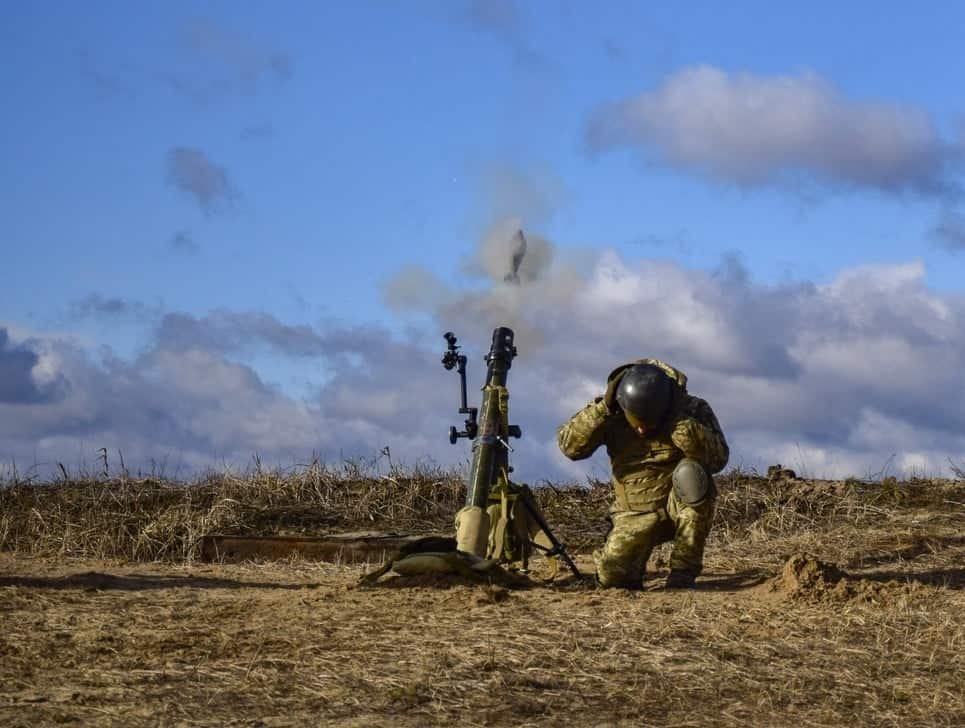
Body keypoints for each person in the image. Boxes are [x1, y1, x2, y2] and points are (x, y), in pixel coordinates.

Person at [557, 360, 728, 589]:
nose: (641, 430)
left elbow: (719, 459)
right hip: (635, 512)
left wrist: (684, 429)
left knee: (692, 477)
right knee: (613, 579)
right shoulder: (611, 412)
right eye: (636, 422)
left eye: (647, 423)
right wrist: (601, 411)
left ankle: (682, 571)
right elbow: (570, 447)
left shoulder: (691, 410)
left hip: (677, 504)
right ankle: (619, 560)